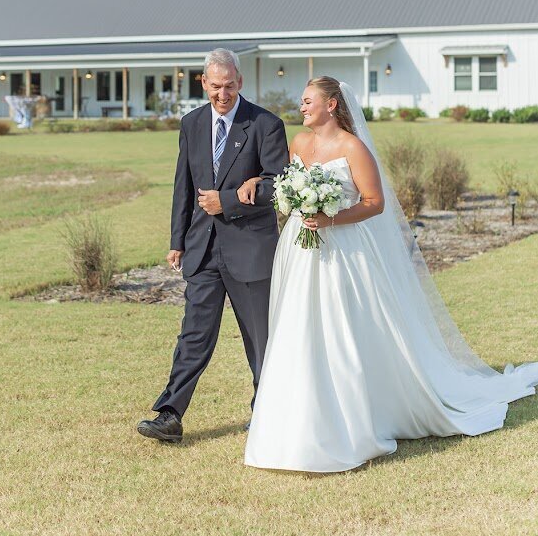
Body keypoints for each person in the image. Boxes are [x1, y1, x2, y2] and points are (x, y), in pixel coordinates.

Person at [243, 76, 538, 472]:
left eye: (308, 100)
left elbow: (374, 203)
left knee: (340, 327)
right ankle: (294, 418)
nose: (302, 106)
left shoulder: (352, 147)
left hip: (341, 248)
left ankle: (354, 418)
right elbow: (285, 187)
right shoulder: (298, 144)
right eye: (302, 101)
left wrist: (331, 218)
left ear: (332, 104)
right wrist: (285, 199)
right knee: (296, 325)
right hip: (298, 247)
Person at [137, 48, 289, 443]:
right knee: (194, 335)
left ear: (240, 83)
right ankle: (170, 414)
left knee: (260, 338)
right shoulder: (191, 123)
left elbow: (280, 187)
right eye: (215, 87)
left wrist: (231, 201)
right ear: (203, 83)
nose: (222, 94)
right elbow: (183, 185)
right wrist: (177, 239)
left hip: (251, 250)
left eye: (229, 86)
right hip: (202, 249)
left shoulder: (265, 125)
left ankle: (268, 411)